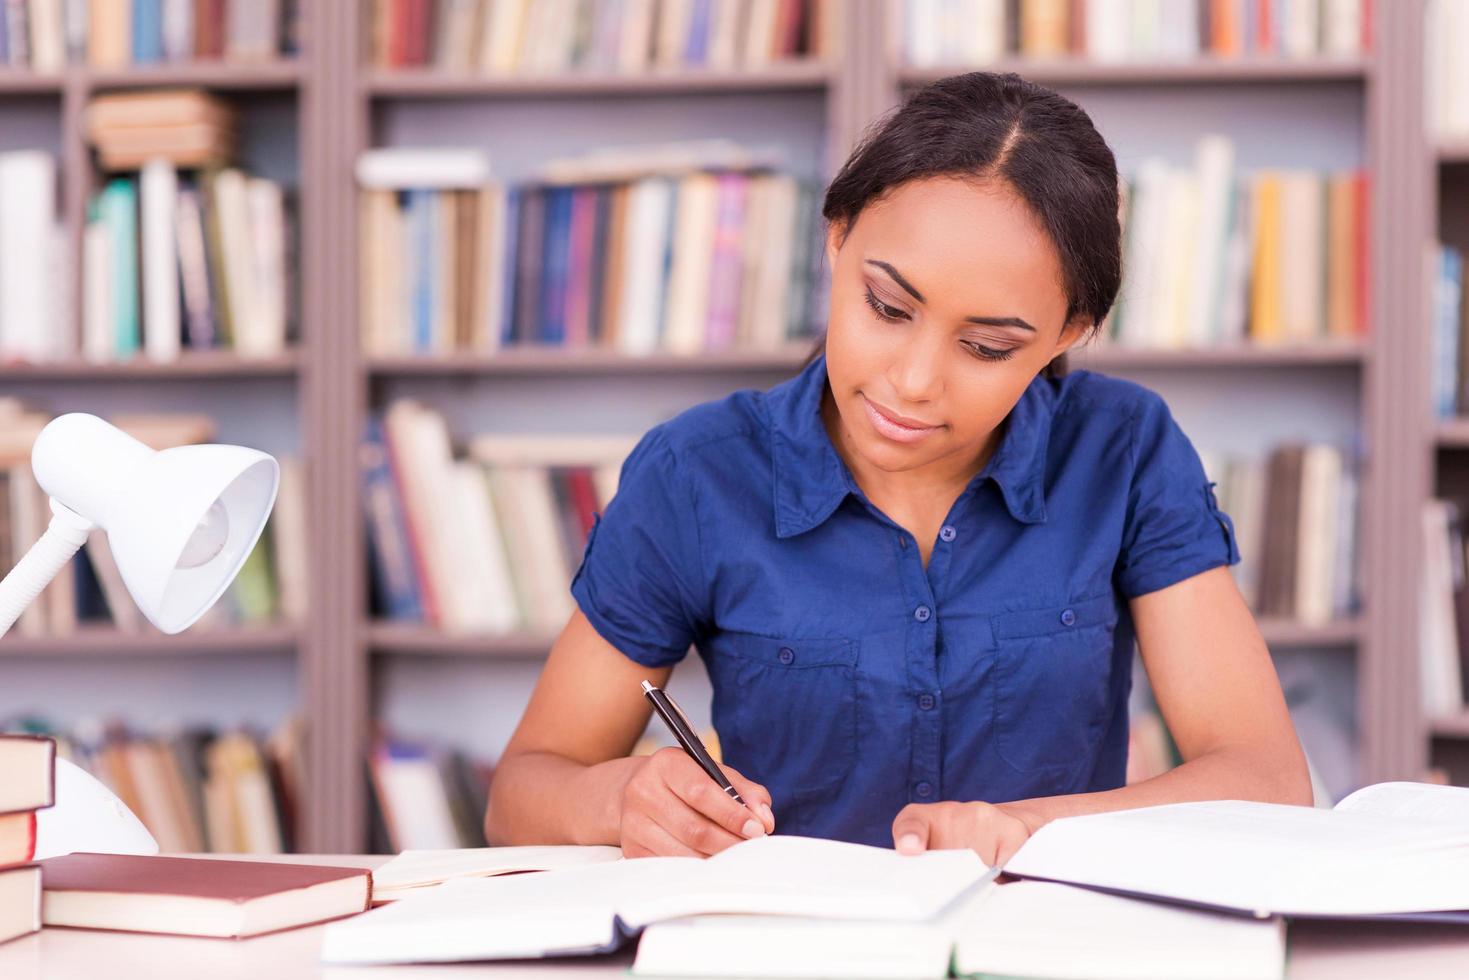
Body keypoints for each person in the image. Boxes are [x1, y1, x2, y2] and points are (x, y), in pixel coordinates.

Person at [484, 71, 1312, 865]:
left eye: (987, 347)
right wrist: (624, 796)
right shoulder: (697, 475)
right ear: (837, 236)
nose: (912, 383)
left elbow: (1265, 785)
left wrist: (1020, 829)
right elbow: (522, 793)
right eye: (886, 306)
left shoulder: (1121, 451)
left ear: (1068, 333)